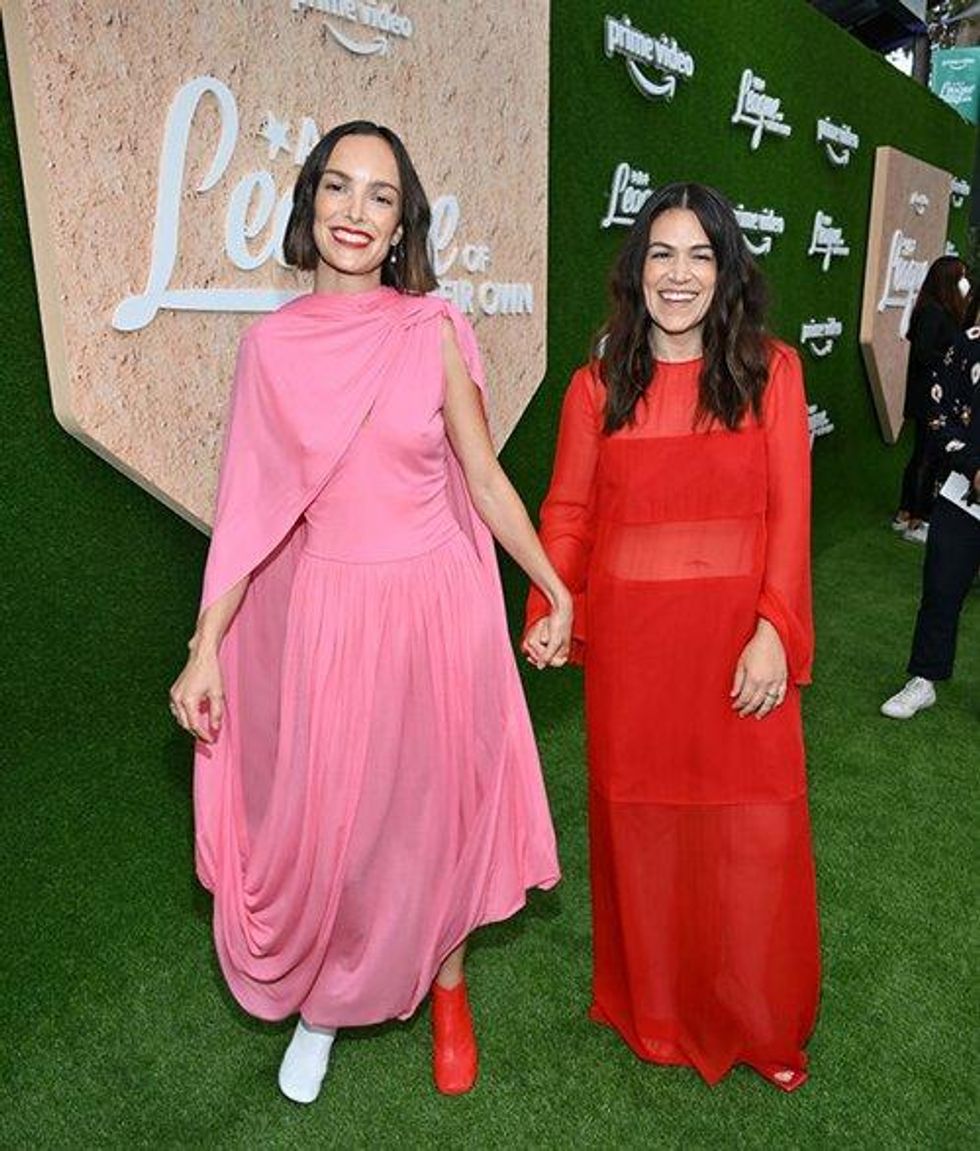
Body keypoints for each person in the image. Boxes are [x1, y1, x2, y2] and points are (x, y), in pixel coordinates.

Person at [169, 121, 571, 1104]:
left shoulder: (429, 328)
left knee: (433, 815)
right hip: (334, 619)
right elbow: (249, 510)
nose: (354, 211)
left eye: (379, 196)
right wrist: (205, 644)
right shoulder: (269, 350)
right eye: (337, 189)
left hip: (438, 609)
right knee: (341, 827)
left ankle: (447, 979)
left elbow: (480, 476)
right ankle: (326, 1000)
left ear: (402, 227)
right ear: (310, 206)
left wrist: (554, 584)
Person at [524, 183, 820, 1091]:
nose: (679, 273)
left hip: (736, 648)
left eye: (699, 254)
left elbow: (788, 515)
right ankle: (653, 1012)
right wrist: (549, 604)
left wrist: (774, 627)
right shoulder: (596, 387)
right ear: (636, 270)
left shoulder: (771, 373)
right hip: (635, 658)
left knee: (753, 837)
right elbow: (570, 510)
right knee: (641, 829)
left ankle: (760, 1022)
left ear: (726, 269)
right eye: (661, 253)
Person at [881, 292, 980, 719]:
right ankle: (923, 680)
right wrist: (973, 466)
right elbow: (938, 412)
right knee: (941, 589)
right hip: (963, 496)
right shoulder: (967, 345)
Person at [892, 256, 969, 544]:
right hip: (929, 396)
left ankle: (907, 511)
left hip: (932, 394)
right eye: (961, 276)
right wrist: (952, 362)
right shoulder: (933, 312)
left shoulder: (939, 310)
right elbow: (924, 353)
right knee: (927, 456)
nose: (965, 282)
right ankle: (916, 519)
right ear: (948, 279)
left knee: (923, 454)